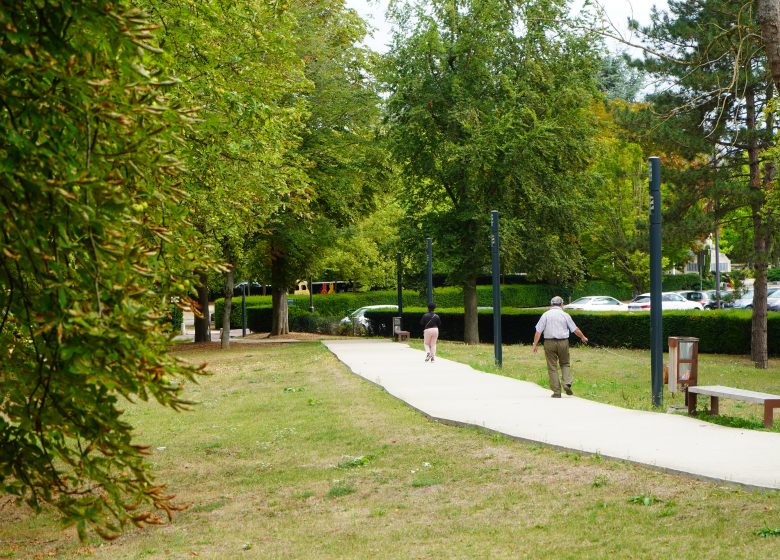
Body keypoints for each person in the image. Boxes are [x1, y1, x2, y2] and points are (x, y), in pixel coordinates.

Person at [532, 296, 588, 398]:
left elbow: (538, 331)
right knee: (565, 363)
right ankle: (567, 383)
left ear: (551, 304)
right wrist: (583, 337)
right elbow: (575, 329)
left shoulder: (545, 315)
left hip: (549, 343)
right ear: (562, 304)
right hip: (563, 342)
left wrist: (535, 344)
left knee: (552, 367)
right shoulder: (565, 315)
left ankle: (557, 392)